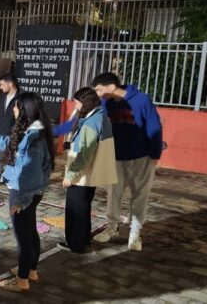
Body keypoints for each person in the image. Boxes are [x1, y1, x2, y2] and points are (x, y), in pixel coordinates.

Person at [0, 92, 54, 293]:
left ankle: (22, 280)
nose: (13, 109)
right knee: (30, 231)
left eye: (16, 106)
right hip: (32, 191)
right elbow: (12, 145)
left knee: (23, 237)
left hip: (24, 192)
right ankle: (30, 270)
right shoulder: (34, 132)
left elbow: (30, 170)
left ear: (25, 110)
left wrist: (21, 201)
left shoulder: (34, 139)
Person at [90, 72, 163, 251]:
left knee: (140, 195)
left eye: (99, 89)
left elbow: (154, 126)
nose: (98, 94)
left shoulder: (141, 100)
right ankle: (112, 227)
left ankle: (135, 233)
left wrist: (155, 154)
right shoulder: (107, 103)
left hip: (142, 156)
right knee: (114, 193)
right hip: (117, 156)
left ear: (111, 86)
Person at [57, 87, 117, 254]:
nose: (74, 106)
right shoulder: (99, 116)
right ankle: (82, 239)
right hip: (90, 173)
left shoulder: (91, 123)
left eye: (77, 103)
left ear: (85, 103)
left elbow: (85, 154)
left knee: (75, 209)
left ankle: (75, 244)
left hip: (81, 174)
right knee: (83, 208)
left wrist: (70, 175)